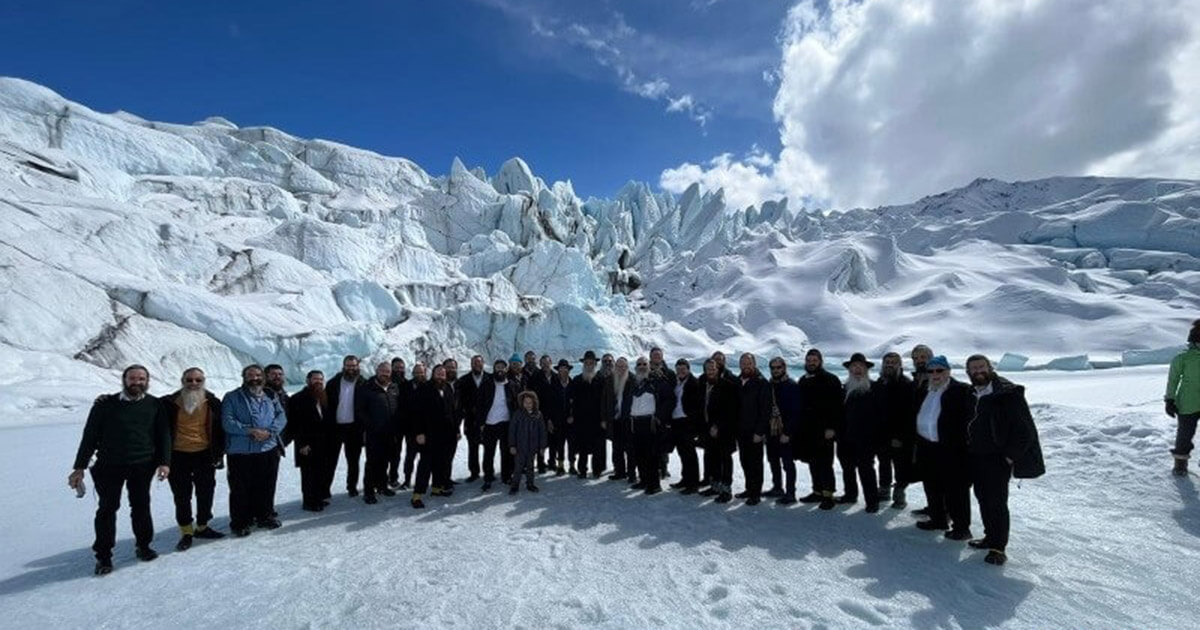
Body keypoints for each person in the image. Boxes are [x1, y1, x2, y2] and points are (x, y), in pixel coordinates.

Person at [69, 365, 172, 575]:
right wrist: (79, 467)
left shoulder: (155, 404)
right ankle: (104, 556)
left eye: (141, 379)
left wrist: (164, 462)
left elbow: (163, 436)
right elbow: (89, 437)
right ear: (124, 380)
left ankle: (143, 546)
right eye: (133, 378)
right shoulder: (105, 405)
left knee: (141, 506)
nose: (137, 382)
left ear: (147, 381)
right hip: (109, 466)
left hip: (143, 465)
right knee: (107, 509)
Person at [966, 354, 1040, 566]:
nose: (978, 371)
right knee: (982, 498)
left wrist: (1009, 456)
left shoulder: (1008, 392)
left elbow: (1024, 430)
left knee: (997, 502)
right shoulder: (972, 392)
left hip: (997, 458)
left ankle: (998, 547)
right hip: (976, 456)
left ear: (990, 368)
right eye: (973, 368)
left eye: (981, 367)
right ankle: (989, 537)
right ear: (969, 372)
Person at [161, 367, 226, 551]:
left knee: (206, 491)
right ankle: (186, 531)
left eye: (198, 380)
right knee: (182, 495)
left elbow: (220, 430)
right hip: (177, 455)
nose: (193, 384)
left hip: (205, 454)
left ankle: (203, 526)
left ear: (203, 381)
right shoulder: (168, 403)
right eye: (189, 380)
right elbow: (141, 404)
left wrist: (219, 454)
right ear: (183, 381)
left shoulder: (212, 402)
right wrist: (107, 400)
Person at [912, 355, 975, 541]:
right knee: (932, 486)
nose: (935, 374)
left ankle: (962, 527)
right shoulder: (925, 390)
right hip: (927, 447)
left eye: (939, 370)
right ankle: (938, 519)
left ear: (948, 371)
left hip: (952, 449)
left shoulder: (961, 390)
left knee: (956, 490)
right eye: (931, 371)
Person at [222, 364, 287, 537]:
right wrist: (250, 431)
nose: (255, 378)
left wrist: (270, 432)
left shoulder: (270, 396)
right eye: (251, 375)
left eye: (258, 375)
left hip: (268, 448)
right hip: (241, 451)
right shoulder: (232, 397)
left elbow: (281, 416)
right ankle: (241, 522)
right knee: (240, 489)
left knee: (266, 485)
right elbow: (227, 422)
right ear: (244, 377)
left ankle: (264, 516)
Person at [796, 349, 842, 510]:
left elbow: (837, 406)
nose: (811, 363)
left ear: (820, 361)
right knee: (812, 461)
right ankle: (817, 491)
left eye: (814, 360)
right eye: (809, 360)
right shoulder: (803, 380)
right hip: (808, 430)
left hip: (824, 429)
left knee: (825, 463)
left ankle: (828, 495)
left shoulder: (830, 379)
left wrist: (832, 427)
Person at [837, 354, 884, 512]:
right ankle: (850, 494)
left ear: (866, 369)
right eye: (854, 367)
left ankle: (872, 501)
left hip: (866, 438)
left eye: (860, 366)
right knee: (847, 468)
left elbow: (881, 415)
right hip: (845, 437)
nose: (857, 369)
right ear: (850, 369)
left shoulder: (875, 388)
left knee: (866, 470)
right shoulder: (845, 388)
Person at [412, 365, 458, 508]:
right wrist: (419, 432)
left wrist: (456, 430)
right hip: (428, 433)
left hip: (446, 433)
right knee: (425, 464)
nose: (441, 376)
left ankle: (437, 488)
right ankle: (417, 495)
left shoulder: (448, 389)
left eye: (443, 374)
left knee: (441, 462)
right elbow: (416, 412)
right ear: (433, 374)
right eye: (438, 374)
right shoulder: (424, 389)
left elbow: (453, 411)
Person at [877, 352, 917, 508]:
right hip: (882, 434)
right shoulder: (880, 383)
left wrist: (900, 436)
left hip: (899, 435)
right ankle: (884, 490)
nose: (889, 364)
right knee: (883, 463)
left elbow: (908, 413)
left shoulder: (906, 384)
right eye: (887, 362)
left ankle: (900, 494)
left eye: (893, 362)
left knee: (900, 465)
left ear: (900, 365)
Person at [626, 358, 672, 495]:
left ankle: (654, 484)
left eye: (644, 364)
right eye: (639, 365)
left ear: (649, 366)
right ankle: (644, 480)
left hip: (650, 423)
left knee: (651, 455)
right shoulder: (634, 383)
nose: (641, 367)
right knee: (639, 454)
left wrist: (660, 416)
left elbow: (669, 399)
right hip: (635, 422)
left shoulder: (657, 381)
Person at [356, 362, 400, 504]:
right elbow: (360, 410)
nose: (385, 374)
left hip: (391, 432)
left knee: (385, 461)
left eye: (387, 372)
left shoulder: (394, 387)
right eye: (382, 371)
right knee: (372, 463)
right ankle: (368, 491)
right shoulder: (367, 388)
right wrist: (371, 425)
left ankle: (382, 486)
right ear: (376, 371)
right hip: (374, 433)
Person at [287, 370, 331, 512]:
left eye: (320, 379)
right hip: (307, 444)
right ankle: (309, 502)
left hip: (322, 443)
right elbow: (294, 423)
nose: (318, 382)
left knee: (320, 472)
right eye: (315, 379)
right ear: (307, 381)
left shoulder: (323, 397)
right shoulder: (298, 398)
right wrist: (301, 444)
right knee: (308, 474)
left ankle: (318, 498)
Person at [699, 359, 739, 503]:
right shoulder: (703, 385)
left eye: (713, 368)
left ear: (718, 369)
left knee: (725, 459)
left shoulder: (727, 386)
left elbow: (731, 410)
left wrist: (718, 425)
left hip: (724, 430)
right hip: (708, 430)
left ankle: (726, 489)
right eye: (708, 369)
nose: (710, 371)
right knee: (712, 458)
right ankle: (715, 486)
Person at [326, 355, 365, 498]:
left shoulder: (363, 384)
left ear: (358, 367)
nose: (351, 368)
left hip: (354, 429)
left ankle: (352, 487)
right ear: (344, 366)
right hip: (335, 428)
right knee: (330, 460)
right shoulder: (333, 383)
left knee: (353, 461)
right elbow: (326, 406)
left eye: (354, 366)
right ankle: (325, 488)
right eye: (348, 366)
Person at [477, 359, 520, 491]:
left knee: (506, 452)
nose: (500, 369)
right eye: (497, 367)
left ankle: (506, 476)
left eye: (502, 367)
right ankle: (488, 478)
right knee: (488, 453)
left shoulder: (512, 385)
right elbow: (479, 404)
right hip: (489, 424)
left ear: (506, 369)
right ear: (494, 369)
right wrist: (481, 423)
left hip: (506, 423)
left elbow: (516, 404)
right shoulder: (487, 384)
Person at [735, 354, 771, 506]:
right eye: (743, 363)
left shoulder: (761, 382)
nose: (746, 366)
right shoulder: (738, 381)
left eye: (749, 363)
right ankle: (749, 489)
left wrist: (760, 431)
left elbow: (765, 408)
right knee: (744, 460)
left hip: (755, 430)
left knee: (755, 462)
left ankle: (755, 493)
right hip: (741, 429)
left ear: (754, 364)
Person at [1166, 320, 1200, 476]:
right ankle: (1180, 463)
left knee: (1184, 433)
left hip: (1187, 403)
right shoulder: (1182, 358)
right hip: (1187, 403)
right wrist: (1169, 399)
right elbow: (1173, 380)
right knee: (1185, 434)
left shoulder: (1182, 358)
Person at [766, 358, 801, 505]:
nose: (775, 370)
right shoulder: (769, 385)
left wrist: (788, 432)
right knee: (773, 460)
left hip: (785, 431)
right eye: (773, 368)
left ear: (784, 368)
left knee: (787, 463)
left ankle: (790, 492)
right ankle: (777, 487)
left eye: (778, 367)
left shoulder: (791, 386)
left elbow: (796, 412)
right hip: (771, 430)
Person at [669, 358, 704, 494]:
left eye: (683, 369)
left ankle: (693, 483)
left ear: (688, 369)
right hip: (677, 422)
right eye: (678, 369)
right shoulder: (677, 383)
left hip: (688, 422)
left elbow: (698, 406)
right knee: (682, 452)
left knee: (690, 453)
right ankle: (685, 479)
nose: (681, 372)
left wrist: (695, 426)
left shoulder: (694, 383)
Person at [571, 351, 607, 478]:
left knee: (598, 447)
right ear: (583, 364)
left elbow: (605, 401)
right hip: (581, 420)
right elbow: (572, 401)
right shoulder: (577, 380)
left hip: (597, 420)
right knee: (582, 448)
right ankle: (582, 470)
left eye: (591, 363)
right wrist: (572, 415)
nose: (589, 365)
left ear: (595, 364)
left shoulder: (602, 380)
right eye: (587, 363)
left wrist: (604, 418)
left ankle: (597, 470)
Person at [602, 357, 636, 483]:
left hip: (628, 419)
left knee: (630, 449)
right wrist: (604, 418)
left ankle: (631, 473)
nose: (621, 369)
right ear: (615, 367)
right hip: (614, 419)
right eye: (619, 366)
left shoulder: (632, 379)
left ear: (627, 367)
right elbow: (604, 400)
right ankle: (619, 472)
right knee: (617, 448)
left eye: (624, 367)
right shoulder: (610, 380)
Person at [509, 391, 548, 494]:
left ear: (534, 403)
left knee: (530, 467)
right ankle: (514, 486)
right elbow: (512, 430)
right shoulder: (518, 414)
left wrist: (542, 446)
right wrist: (512, 445)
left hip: (532, 447)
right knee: (518, 467)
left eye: (530, 402)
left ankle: (530, 484)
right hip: (520, 446)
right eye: (525, 402)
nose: (528, 405)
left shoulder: (538, 415)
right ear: (522, 403)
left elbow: (542, 431)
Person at [262, 364, 288, 519]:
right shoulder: (260, 393)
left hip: (274, 444)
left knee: (269, 480)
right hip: (258, 443)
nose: (277, 377)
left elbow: (285, 418)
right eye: (273, 374)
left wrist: (283, 440)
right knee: (256, 481)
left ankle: (266, 510)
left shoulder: (282, 394)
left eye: (279, 374)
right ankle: (255, 512)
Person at [540, 359, 574, 476]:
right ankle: (560, 466)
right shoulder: (553, 385)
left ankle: (572, 465)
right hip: (557, 419)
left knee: (571, 443)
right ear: (558, 371)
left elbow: (577, 402)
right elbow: (549, 404)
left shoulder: (573, 384)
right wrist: (549, 420)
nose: (563, 371)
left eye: (565, 369)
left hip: (570, 420)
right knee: (559, 443)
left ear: (569, 371)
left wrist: (572, 415)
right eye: (561, 369)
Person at [457, 355, 487, 481]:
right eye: (474, 363)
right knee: (472, 448)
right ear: (471, 365)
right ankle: (474, 472)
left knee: (489, 448)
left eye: (479, 363)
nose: (477, 365)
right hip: (471, 420)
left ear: (483, 364)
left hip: (488, 420)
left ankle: (488, 471)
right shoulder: (463, 380)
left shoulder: (490, 379)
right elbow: (460, 402)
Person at [398, 363, 428, 489]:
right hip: (410, 429)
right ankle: (407, 480)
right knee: (410, 457)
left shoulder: (429, 387)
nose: (419, 375)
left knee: (425, 458)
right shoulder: (405, 386)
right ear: (413, 373)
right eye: (417, 372)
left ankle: (422, 481)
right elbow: (401, 407)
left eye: (421, 372)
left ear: (425, 373)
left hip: (427, 430)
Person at [387, 357, 408, 488]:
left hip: (402, 425)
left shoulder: (406, 384)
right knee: (384, 453)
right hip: (386, 424)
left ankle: (393, 477)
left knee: (396, 454)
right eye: (396, 368)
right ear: (392, 368)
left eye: (401, 368)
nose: (399, 370)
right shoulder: (385, 383)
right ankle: (381, 479)